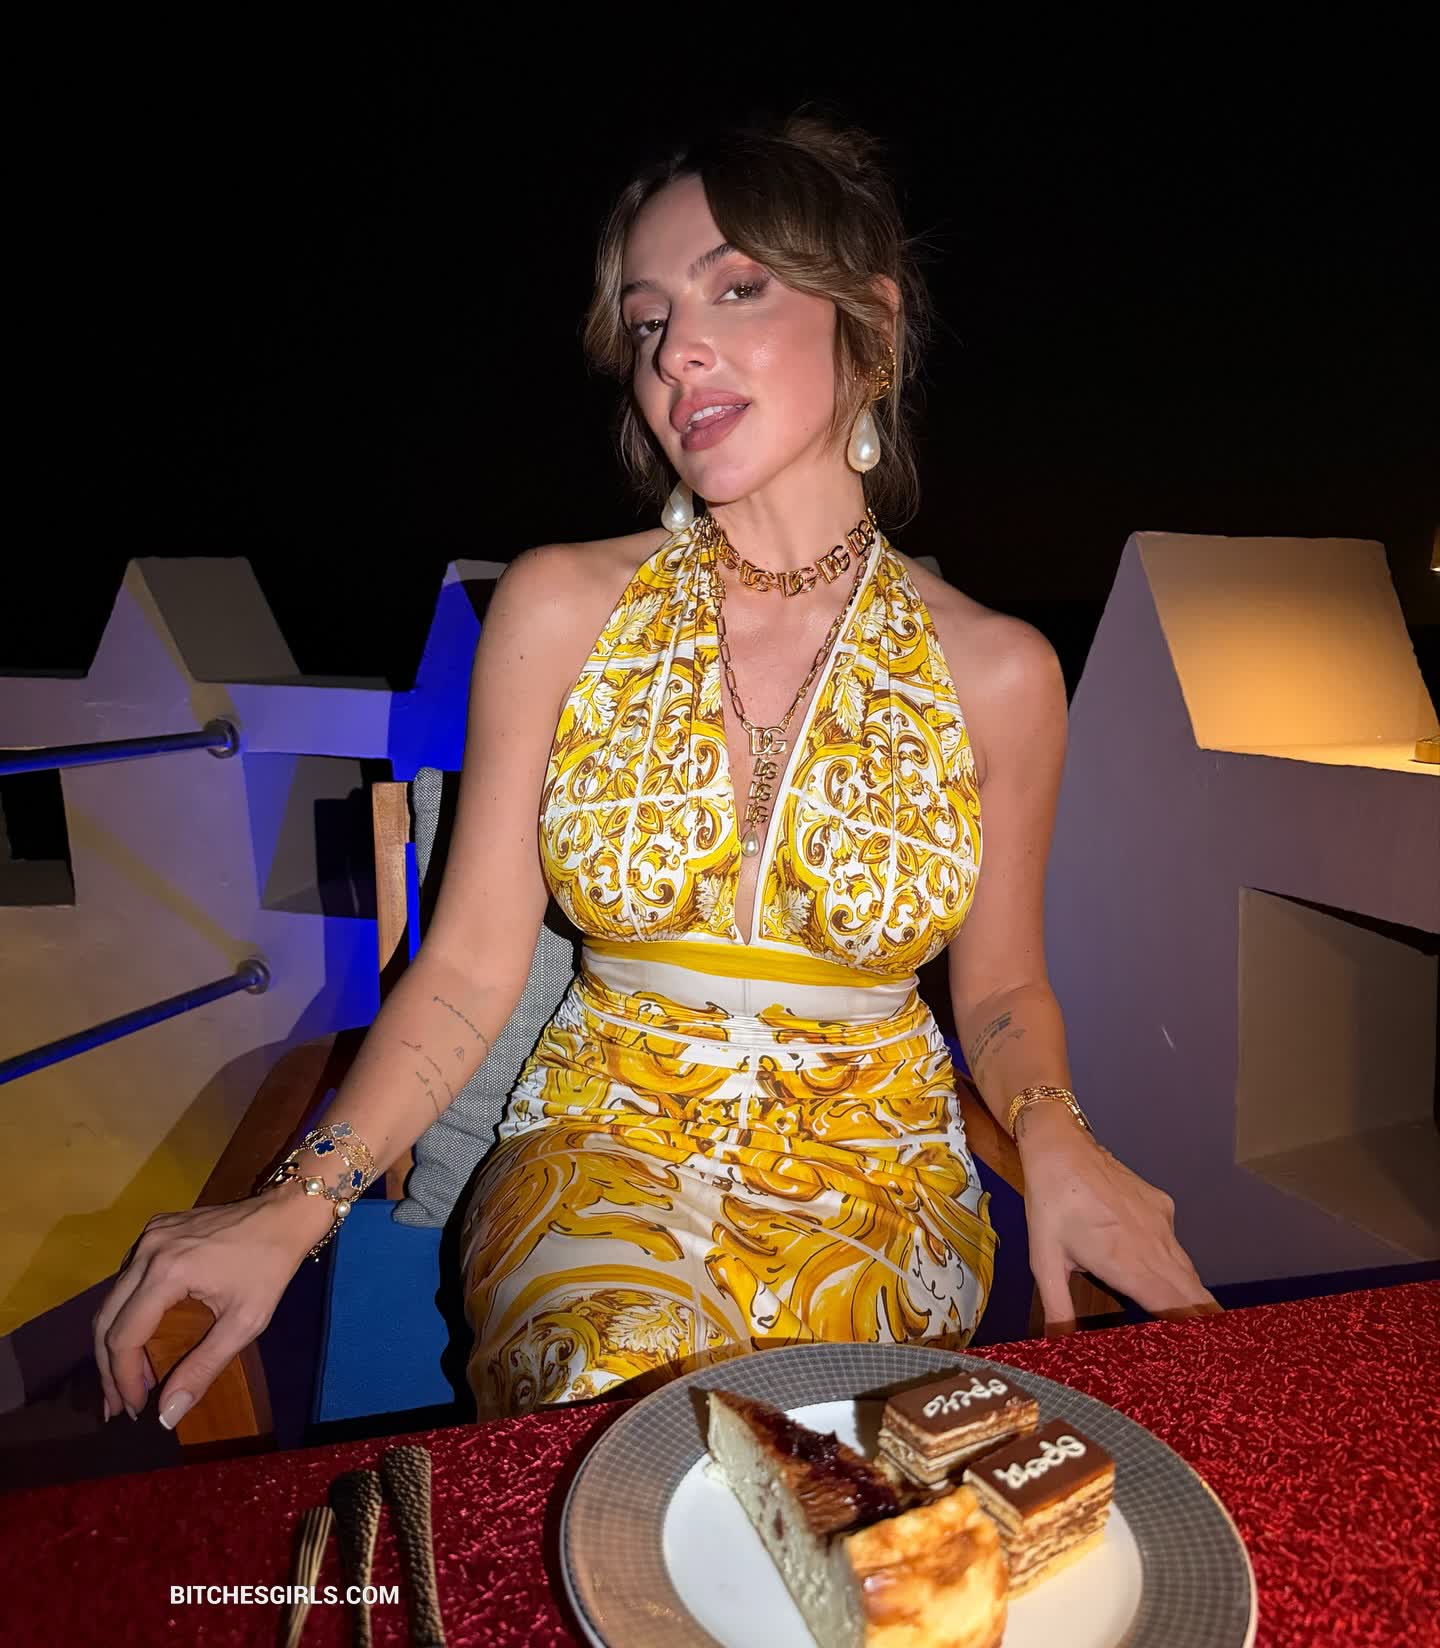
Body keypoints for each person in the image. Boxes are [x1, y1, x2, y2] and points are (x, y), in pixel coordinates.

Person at [92, 113, 1215, 1432]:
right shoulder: (562, 607)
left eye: (737, 289)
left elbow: (1005, 983)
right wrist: (297, 1200)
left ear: (872, 324)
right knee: (619, 1405)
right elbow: (466, 971)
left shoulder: (1001, 671)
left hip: (885, 1183)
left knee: (853, 1484)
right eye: (647, 320)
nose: (677, 350)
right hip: (597, 1156)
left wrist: (1059, 1134)